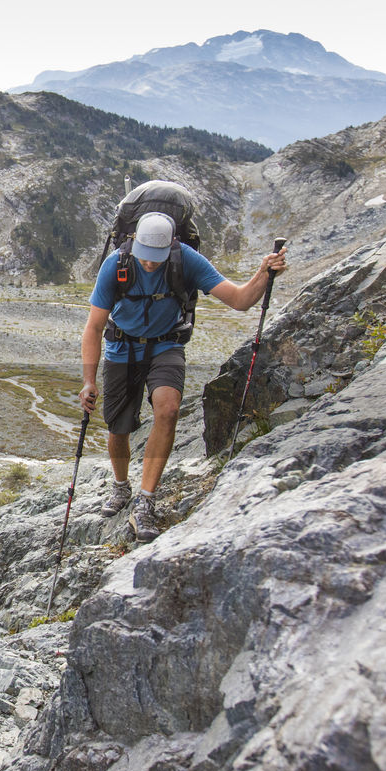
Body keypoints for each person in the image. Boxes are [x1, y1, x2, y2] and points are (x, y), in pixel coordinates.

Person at [78, 212, 287, 542]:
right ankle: (121, 488)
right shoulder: (115, 265)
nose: (150, 265)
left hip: (167, 347)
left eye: (156, 260)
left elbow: (240, 300)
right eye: (145, 258)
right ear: (134, 244)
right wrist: (89, 381)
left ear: (171, 246)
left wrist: (263, 273)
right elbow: (93, 327)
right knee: (118, 427)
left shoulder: (186, 260)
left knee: (169, 409)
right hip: (121, 350)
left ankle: (145, 502)